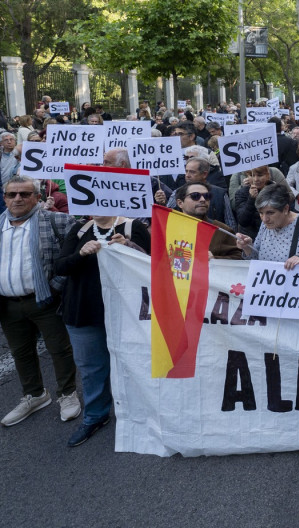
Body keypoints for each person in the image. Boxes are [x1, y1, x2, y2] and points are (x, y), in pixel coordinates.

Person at [54, 213, 150, 446]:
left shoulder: (132, 226)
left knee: (136, 363)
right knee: (91, 368)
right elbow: (60, 266)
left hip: (126, 311)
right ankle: (95, 416)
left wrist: (128, 246)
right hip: (83, 310)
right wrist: (80, 253)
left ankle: (145, 415)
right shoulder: (79, 229)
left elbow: (151, 264)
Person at [0, 176, 80, 427]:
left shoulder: (59, 221)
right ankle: (34, 395)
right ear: (4, 198)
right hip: (8, 303)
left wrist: (56, 288)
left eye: (24, 194)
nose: (18, 199)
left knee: (59, 349)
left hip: (45, 299)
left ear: (36, 197)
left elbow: (76, 259)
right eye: (12, 194)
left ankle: (67, 394)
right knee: (21, 352)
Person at [236, 184, 299, 268]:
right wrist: (248, 247)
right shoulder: (265, 225)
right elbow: (256, 260)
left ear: (285, 209)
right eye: (261, 213)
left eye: (270, 213)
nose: (264, 219)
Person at [175, 182, 241, 259]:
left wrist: (214, 259)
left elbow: (238, 258)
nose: (203, 199)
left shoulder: (221, 230)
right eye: (195, 196)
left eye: (207, 196)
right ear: (180, 203)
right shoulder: (168, 228)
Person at [165, 157, 235, 228]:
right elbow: (167, 215)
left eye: (192, 172)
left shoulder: (220, 193)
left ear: (204, 174)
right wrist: (161, 202)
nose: (187, 175)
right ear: (180, 203)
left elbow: (230, 222)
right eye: (186, 171)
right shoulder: (177, 193)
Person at [235, 164, 291, 239]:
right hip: (252, 238)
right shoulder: (241, 193)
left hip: (277, 236)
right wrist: (251, 199)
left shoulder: (277, 190)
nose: (256, 179)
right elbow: (243, 221)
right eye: (252, 175)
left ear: (267, 175)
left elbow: (286, 212)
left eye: (260, 175)